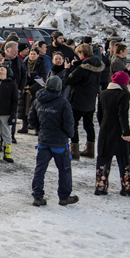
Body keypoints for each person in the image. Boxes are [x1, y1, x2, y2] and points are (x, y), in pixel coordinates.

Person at [28, 76, 78, 206]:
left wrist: (40, 131)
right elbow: (69, 122)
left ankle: (37, 196)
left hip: (43, 140)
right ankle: (64, 196)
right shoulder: (63, 102)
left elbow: (31, 118)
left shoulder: (38, 100)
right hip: (59, 142)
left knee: (40, 169)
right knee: (64, 169)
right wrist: (69, 135)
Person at [95, 72, 130, 196]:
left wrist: (103, 126)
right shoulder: (123, 95)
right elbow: (123, 115)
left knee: (103, 158)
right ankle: (127, 187)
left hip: (105, 131)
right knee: (124, 159)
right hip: (119, 132)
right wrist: (126, 132)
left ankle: (100, 187)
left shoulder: (102, 93)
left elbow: (99, 114)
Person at [62, 43, 105, 160]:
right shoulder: (97, 66)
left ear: (82, 53)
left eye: (78, 53)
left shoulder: (82, 68)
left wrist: (67, 69)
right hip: (90, 100)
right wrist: (77, 64)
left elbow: (69, 80)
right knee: (89, 124)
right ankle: (91, 149)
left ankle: (74, 149)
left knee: (73, 124)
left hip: (77, 100)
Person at [18, 47, 48, 134]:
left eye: (34, 54)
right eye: (31, 54)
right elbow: (21, 76)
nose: (32, 56)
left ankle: (36, 128)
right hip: (25, 89)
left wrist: (31, 89)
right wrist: (24, 87)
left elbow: (43, 79)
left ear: (38, 55)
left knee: (35, 109)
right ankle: (24, 126)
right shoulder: (24, 63)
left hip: (36, 90)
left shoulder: (41, 64)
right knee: (24, 108)